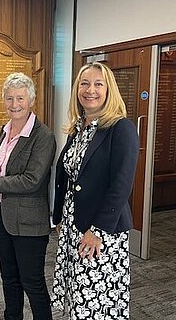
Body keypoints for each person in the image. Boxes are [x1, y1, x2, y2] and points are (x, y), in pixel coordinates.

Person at [50, 62, 139, 319]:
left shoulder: (121, 128)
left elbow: (121, 185)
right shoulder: (78, 129)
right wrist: (60, 217)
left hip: (101, 230)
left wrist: (97, 230)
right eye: (85, 83)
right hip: (73, 225)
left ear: (109, 90)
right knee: (78, 294)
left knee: (96, 299)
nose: (90, 90)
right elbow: (67, 177)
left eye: (98, 84)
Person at [0, 72, 56, 319]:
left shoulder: (43, 136)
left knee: (32, 282)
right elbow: (1, 169)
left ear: (32, 100)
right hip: (2, 216)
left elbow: (30, 181)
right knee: (9, 278)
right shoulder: (5, 131)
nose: (14, 104)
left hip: (28, 223)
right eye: (9, 98)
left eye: (20, 98)